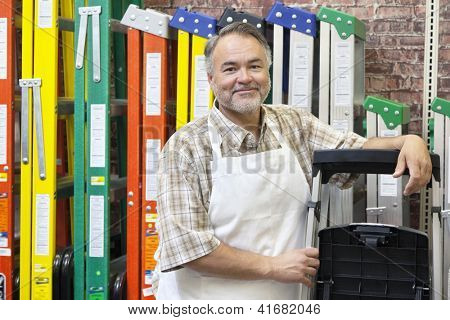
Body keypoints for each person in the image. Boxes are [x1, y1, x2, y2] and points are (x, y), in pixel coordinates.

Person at [151, 22, 432, 299]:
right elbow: (188, 249)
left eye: (255, 66)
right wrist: (272, 267)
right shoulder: (185, 147)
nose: (245, 77)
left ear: (268, 73)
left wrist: (407, 141)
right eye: (230, 69)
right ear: (211, 79)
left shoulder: (294, 124)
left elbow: (354, 149)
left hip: (284, 300)